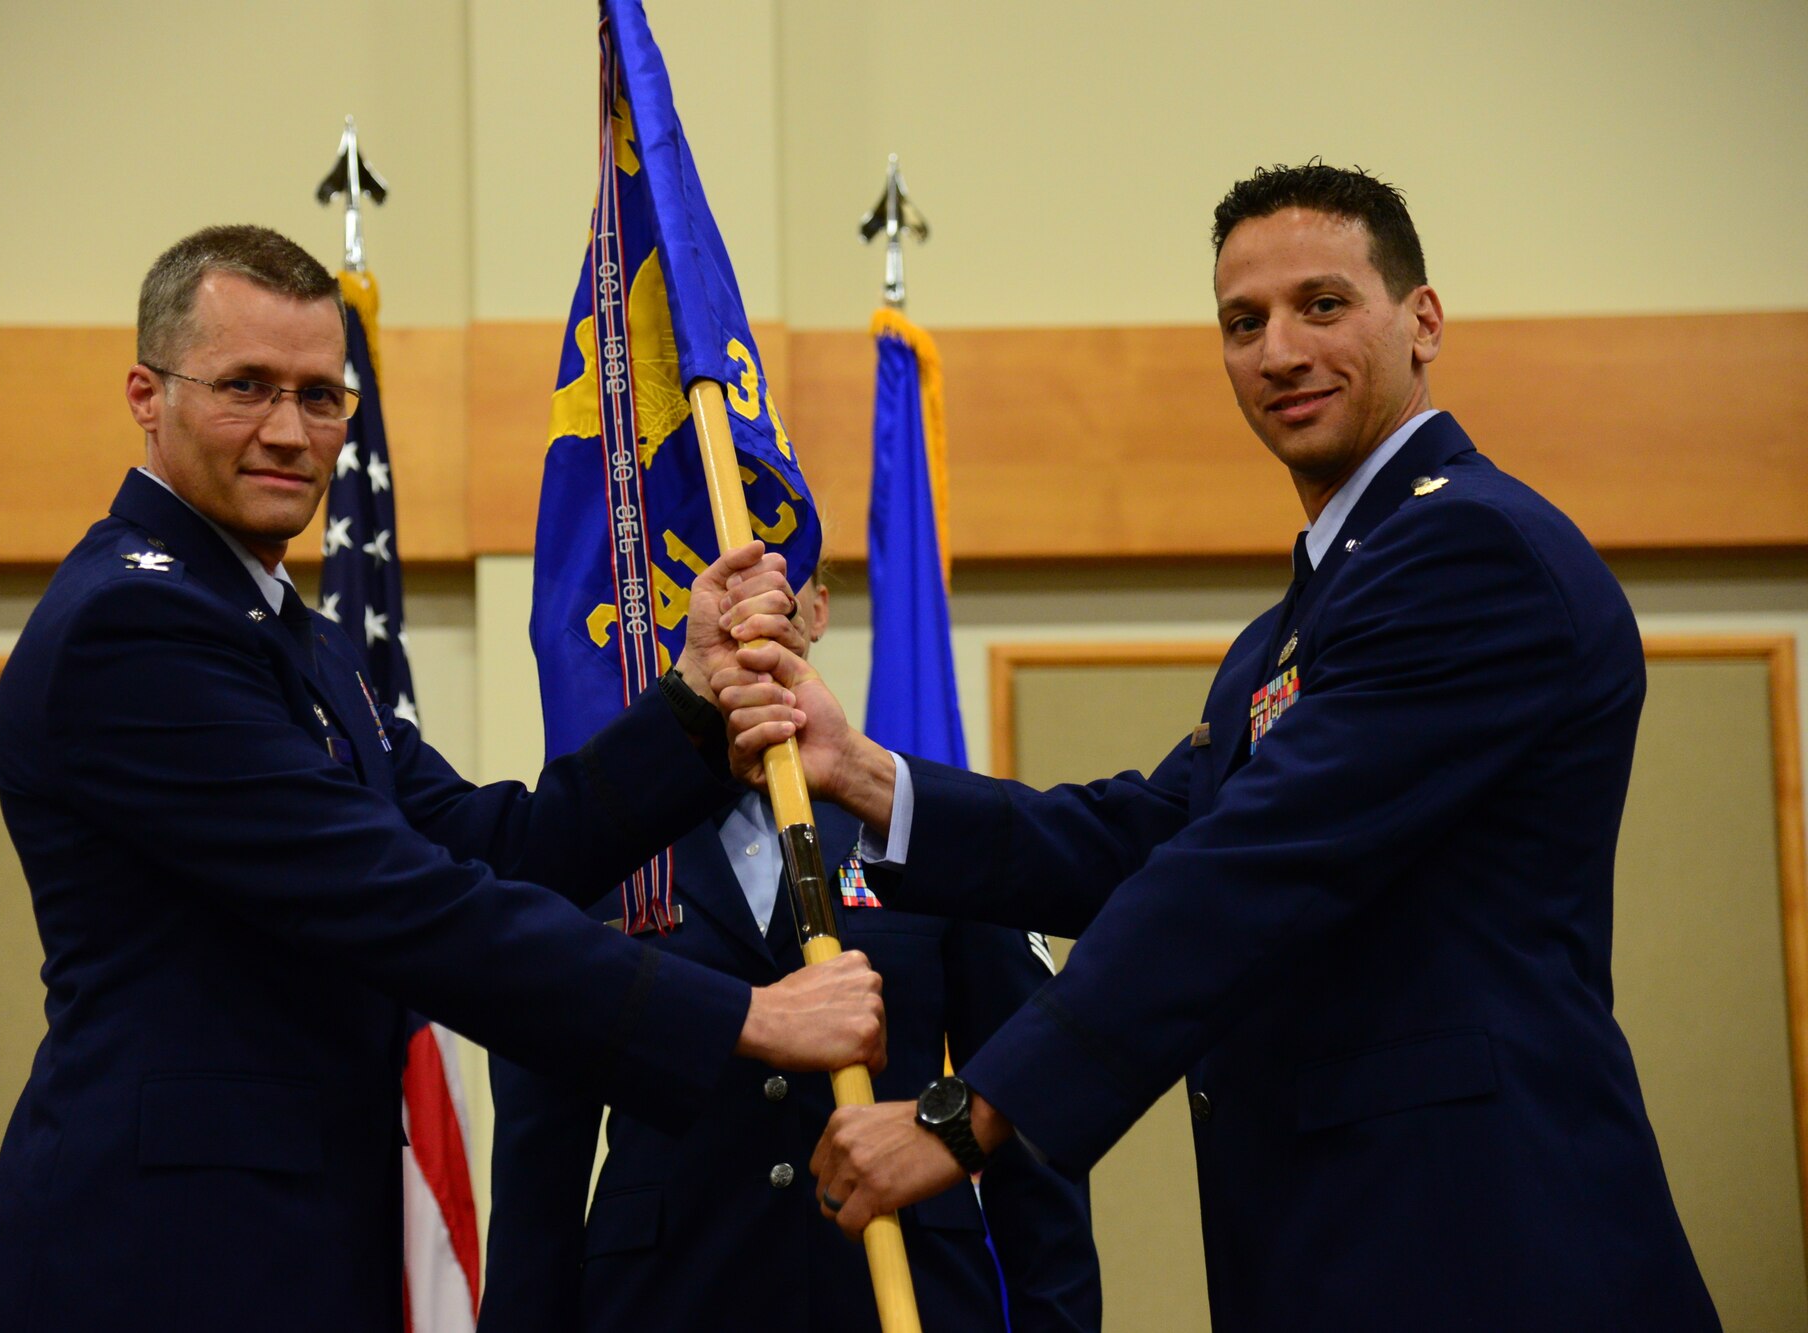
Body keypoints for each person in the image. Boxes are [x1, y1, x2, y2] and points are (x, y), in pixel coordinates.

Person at [717, 164, 1721, 1330]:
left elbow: (1246, 866)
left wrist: (967, 1112)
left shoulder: (1470, 554)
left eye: (1322, 305)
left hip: (1485, 1245)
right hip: (1342, 1251)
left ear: (1423, 321)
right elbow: (1147, 836)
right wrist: (862, 773)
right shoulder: (1291, 625)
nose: (1279, 351)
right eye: (1243, 323)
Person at [0, 225, 886, 1332]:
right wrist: (741, 1017)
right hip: (158, 1259)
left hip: (289, 1242)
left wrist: (691, 706)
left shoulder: (289, 638)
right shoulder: (135, 626)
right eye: (245, 387)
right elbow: (403, 903)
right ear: (146, 395)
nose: (288, 431)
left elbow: (496, 847)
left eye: (320, 395)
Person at [481, 571, 1100, 1333]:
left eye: (779, 577)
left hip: (902, 1296)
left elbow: (1030, 1131)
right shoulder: (590, 833)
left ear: (819, 604)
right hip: (667, 1303)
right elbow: (537, 1174)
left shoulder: (928, 820)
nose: (749, 608)